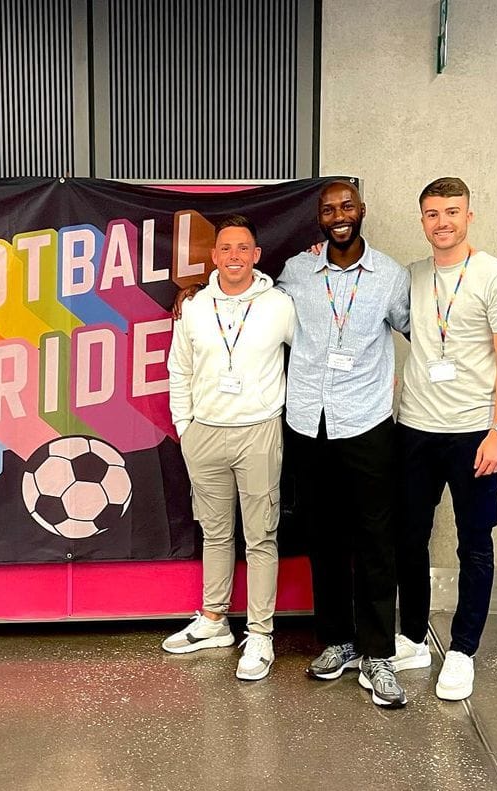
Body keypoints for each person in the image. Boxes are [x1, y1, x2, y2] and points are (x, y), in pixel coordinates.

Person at [395, 177, 497, 701]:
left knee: (475, 542)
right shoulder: (411, 276)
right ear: (423, 220)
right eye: (432, 213)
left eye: (452, 211)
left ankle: (462, 650)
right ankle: (411, 637)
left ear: (469, 216)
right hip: (414, 430)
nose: (442, 222)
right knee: (409, 537)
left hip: (475, 433)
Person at [278, 180, 410, 708]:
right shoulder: (296, 271)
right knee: (324, 537)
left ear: (362, 210)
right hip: (310, 423)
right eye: (329, 209)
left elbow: (413, 333)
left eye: (347, 206)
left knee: (376, 541)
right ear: (319, 217)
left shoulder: (391, 276)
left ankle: (378, 653)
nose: (339, 216)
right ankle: (338, 641)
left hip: (367, 423)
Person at [162, 215, 296, 681]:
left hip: (259, 432)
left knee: (260, 537)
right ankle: (214, 620)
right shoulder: (195, 308)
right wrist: (186, 426)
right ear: (214, 256)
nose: (235, 256)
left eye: (244, 248)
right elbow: (178, 370)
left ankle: (260, 634)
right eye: (226, 249)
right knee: (215, 534)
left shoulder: (279, 304)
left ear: (256, 256)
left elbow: (308, 358)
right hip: (205, 434)